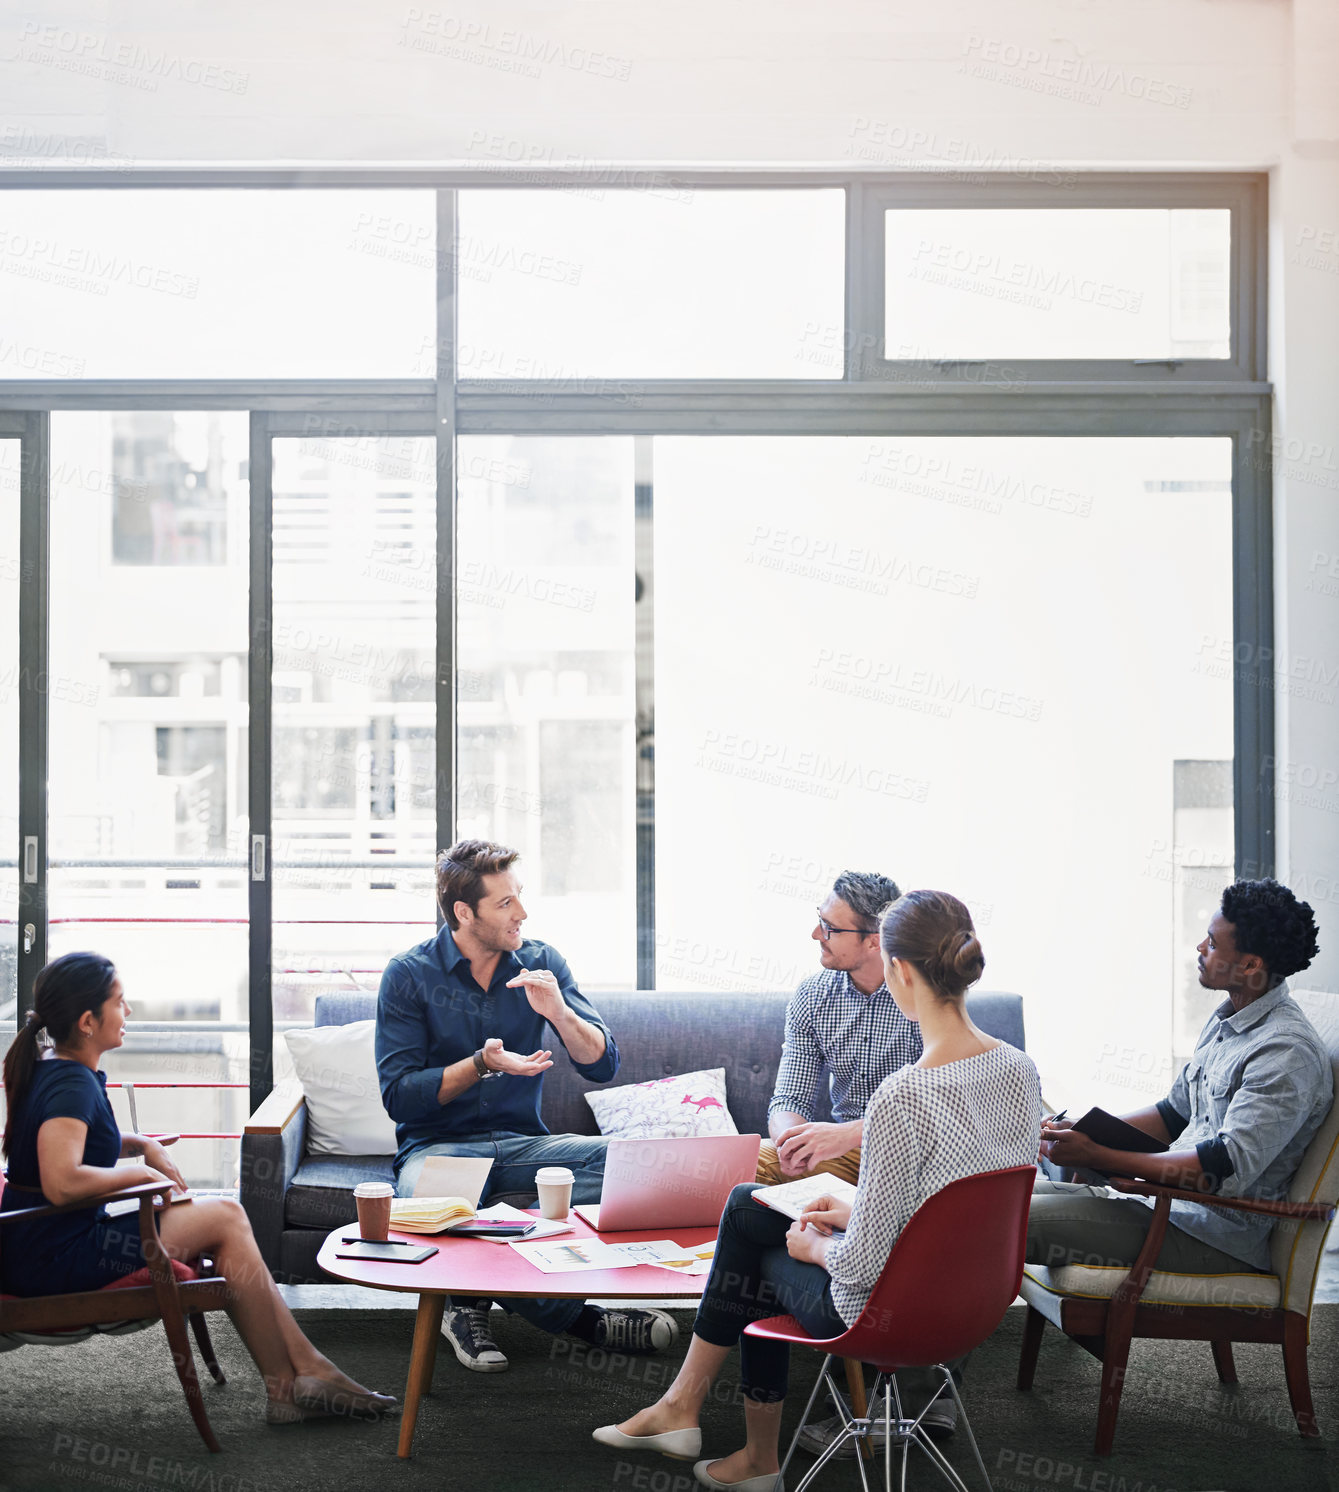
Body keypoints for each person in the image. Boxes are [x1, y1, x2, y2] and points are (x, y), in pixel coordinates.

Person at [592, 890, 1042, 1491]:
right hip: (979, 1302)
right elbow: (952, 1199)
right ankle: (692, 1419)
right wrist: (855, 1207)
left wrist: (814, 1249)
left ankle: (744, 1451)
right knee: (750, 1207)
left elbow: (859, 1265)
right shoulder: (1017, 1068)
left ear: (898, 970)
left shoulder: (902, 1096)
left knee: (757, 1245)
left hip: (886, 1310)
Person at [0, 952, 396, 1425]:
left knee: (226, 1221)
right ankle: (298, 1379)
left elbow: (68, 1140)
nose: (129, 1013)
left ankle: (297, 1381)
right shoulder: (71, 1083)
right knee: (226, 1218)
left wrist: (138, 1143)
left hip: (41, 1245)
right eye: (120, 1003)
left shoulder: (54, 1066)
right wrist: (141, 1175)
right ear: (88, 1021)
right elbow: (62, 1183)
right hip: (54, 1258)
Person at [375, 837, 676, 1373]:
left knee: (638, 1166)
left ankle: (466, 1296)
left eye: (520, 897)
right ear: (464, 913)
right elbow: (399, 1097)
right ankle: (582, 1321)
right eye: (505, 903)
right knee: (429, 1195)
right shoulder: (409, 974)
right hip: (438, 1148)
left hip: (524, 1146)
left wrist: (559, 1013)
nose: (522, 913)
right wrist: (480, 1065)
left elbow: (602, 1064)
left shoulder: (541, 961)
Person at [1034, 878, 1331, 1278]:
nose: (1199, 948)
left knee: (1004, 1220)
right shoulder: (1228, 1019)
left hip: (1210, 1237)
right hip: (1164, 1208)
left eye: (1212, 942)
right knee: (1001, 1197)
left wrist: (1097, 1156)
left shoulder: (1286, 1052)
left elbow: (1220, 1169)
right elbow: (1173, 1115)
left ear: (1250, 965)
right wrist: (1087, 1130)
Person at [759, 870, 915, 1188]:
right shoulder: (813, 995)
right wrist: (793, 1143)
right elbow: (790, 1098)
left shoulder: (921, 994)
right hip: (842, 1158)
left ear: (874, 942)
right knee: (742, 1165)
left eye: (830, 928)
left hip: (912, 1155)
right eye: (821, 919)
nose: (816, 933)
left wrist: (844, 1135)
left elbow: (939, 1106)